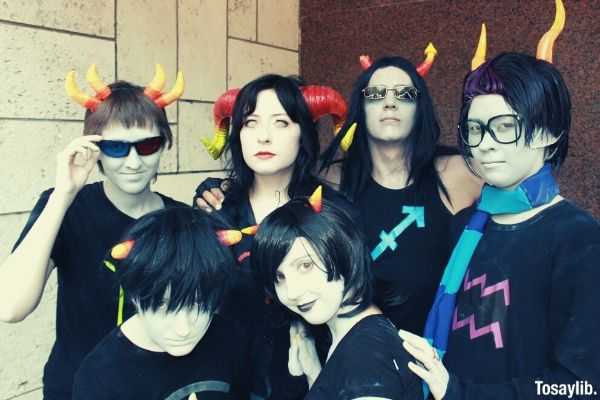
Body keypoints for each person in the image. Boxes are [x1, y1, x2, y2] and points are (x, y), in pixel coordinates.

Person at [197, 53, 481, 336]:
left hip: (425, 345)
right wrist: (216, 190)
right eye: (376, 94)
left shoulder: (456, 173)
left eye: (405, 94)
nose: (390, 103)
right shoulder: (330, 183)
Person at [401, 6, 600, 398]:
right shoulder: (464, 226)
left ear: (549, 131)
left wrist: (457, 392)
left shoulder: (579, 240)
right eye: (475, 129)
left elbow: (582, 385)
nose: (485, 143)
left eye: (504, 126)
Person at [0, 64, 185, 399]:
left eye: (146, 146)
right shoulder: (68, 208)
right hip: (75, 389)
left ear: (163, 146)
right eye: (116, 147)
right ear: (95, 147)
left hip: (157, 388)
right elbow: (10, 306)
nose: (132, 162)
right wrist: (62, 195)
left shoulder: (182, 219)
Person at [196, 74, 355, 400]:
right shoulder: (216, 209)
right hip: (224, 379)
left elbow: (354, 301)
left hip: (313, 378)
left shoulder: (331, 211)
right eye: (251, 123)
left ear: (304, 135)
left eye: (281, 122)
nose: (263, 137)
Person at [251, 188, 422, 399]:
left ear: (343, 251)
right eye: (279, 277)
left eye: (305, 265)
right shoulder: (356, 338)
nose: (292, 292)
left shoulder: (366, 357)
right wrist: (314, 374)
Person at [72, 206, 249, 399]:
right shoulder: (101, 377)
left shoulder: (230, 340)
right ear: (134, 294)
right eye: (163, 306)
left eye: (198, 304)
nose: (183, 329)